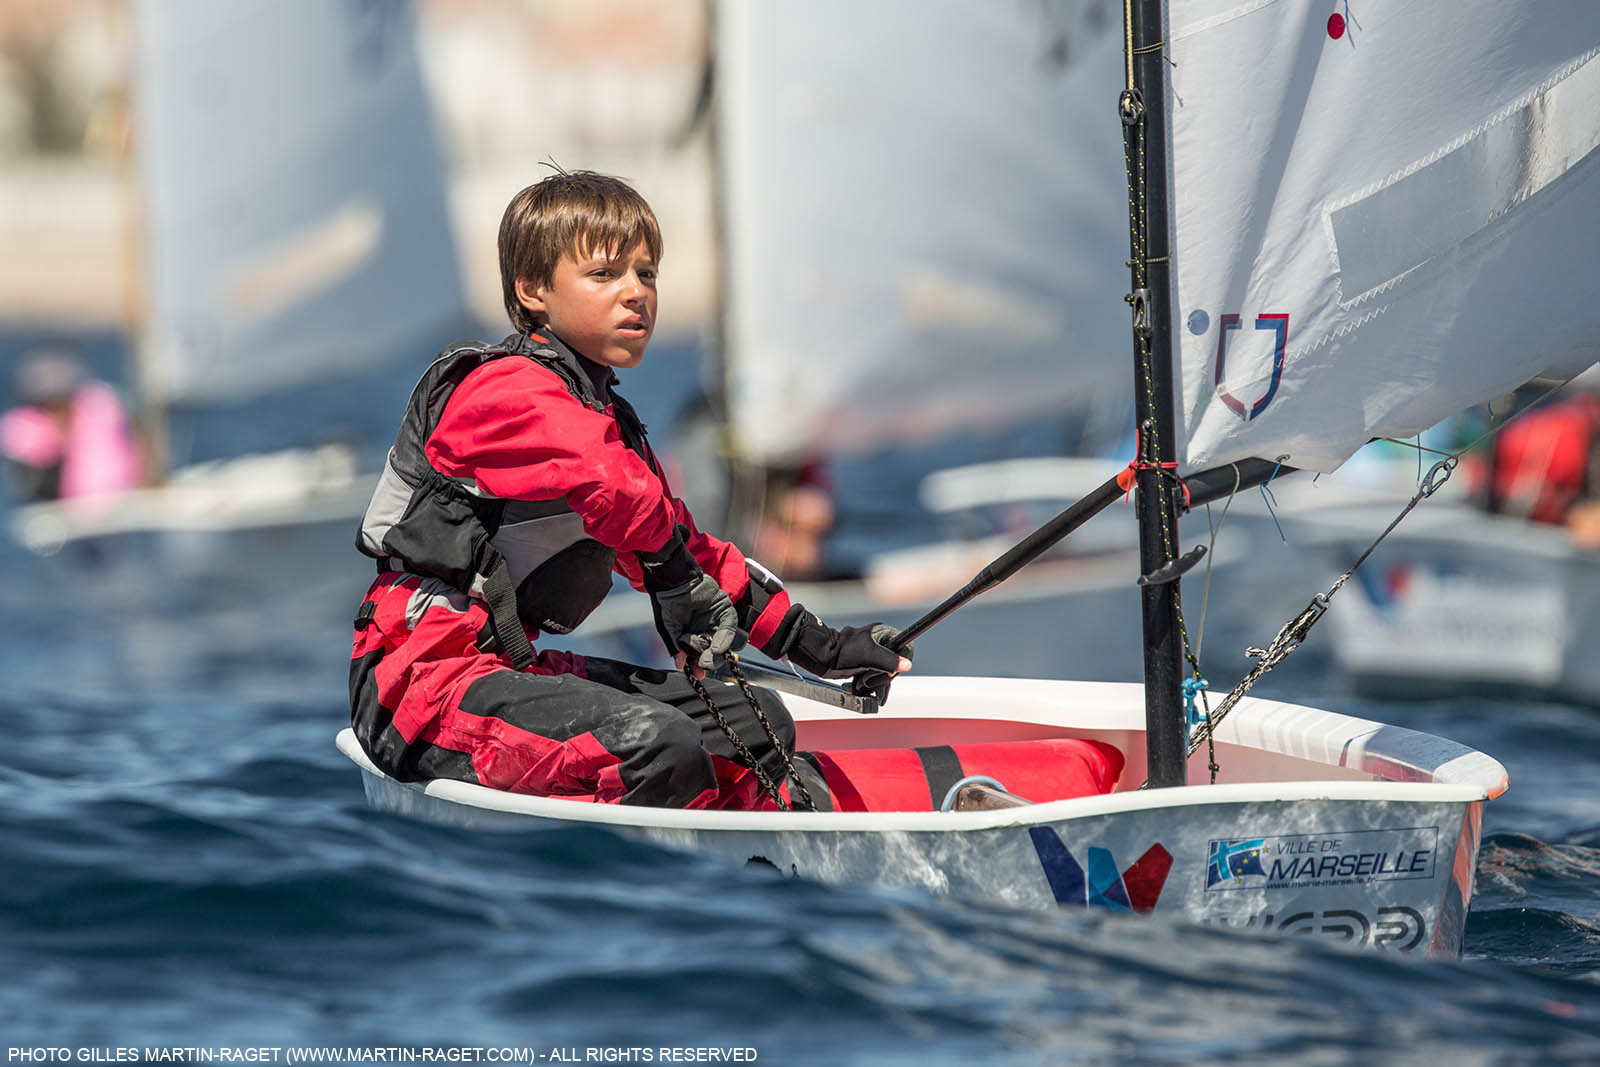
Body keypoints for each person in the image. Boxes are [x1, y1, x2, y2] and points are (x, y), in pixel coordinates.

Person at [349, 170, 911, 810]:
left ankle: (764, 849)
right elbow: (612, 487)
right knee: (657, 743)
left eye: (646, 274)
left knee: (759, 724)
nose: (635, 293)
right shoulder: (502, 390)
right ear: (532, 291)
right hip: (417, 690)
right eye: (604, 275)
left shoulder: (606, 422)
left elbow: (688, 549)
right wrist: (673, 581)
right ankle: (676, 860)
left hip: (508, 671)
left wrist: (821, 646)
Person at [0, 346, 144, 505]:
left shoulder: (100, 409)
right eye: (48, 405)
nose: (55, 411)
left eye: (59, 404)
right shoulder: (27, 431)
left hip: (112, 502)